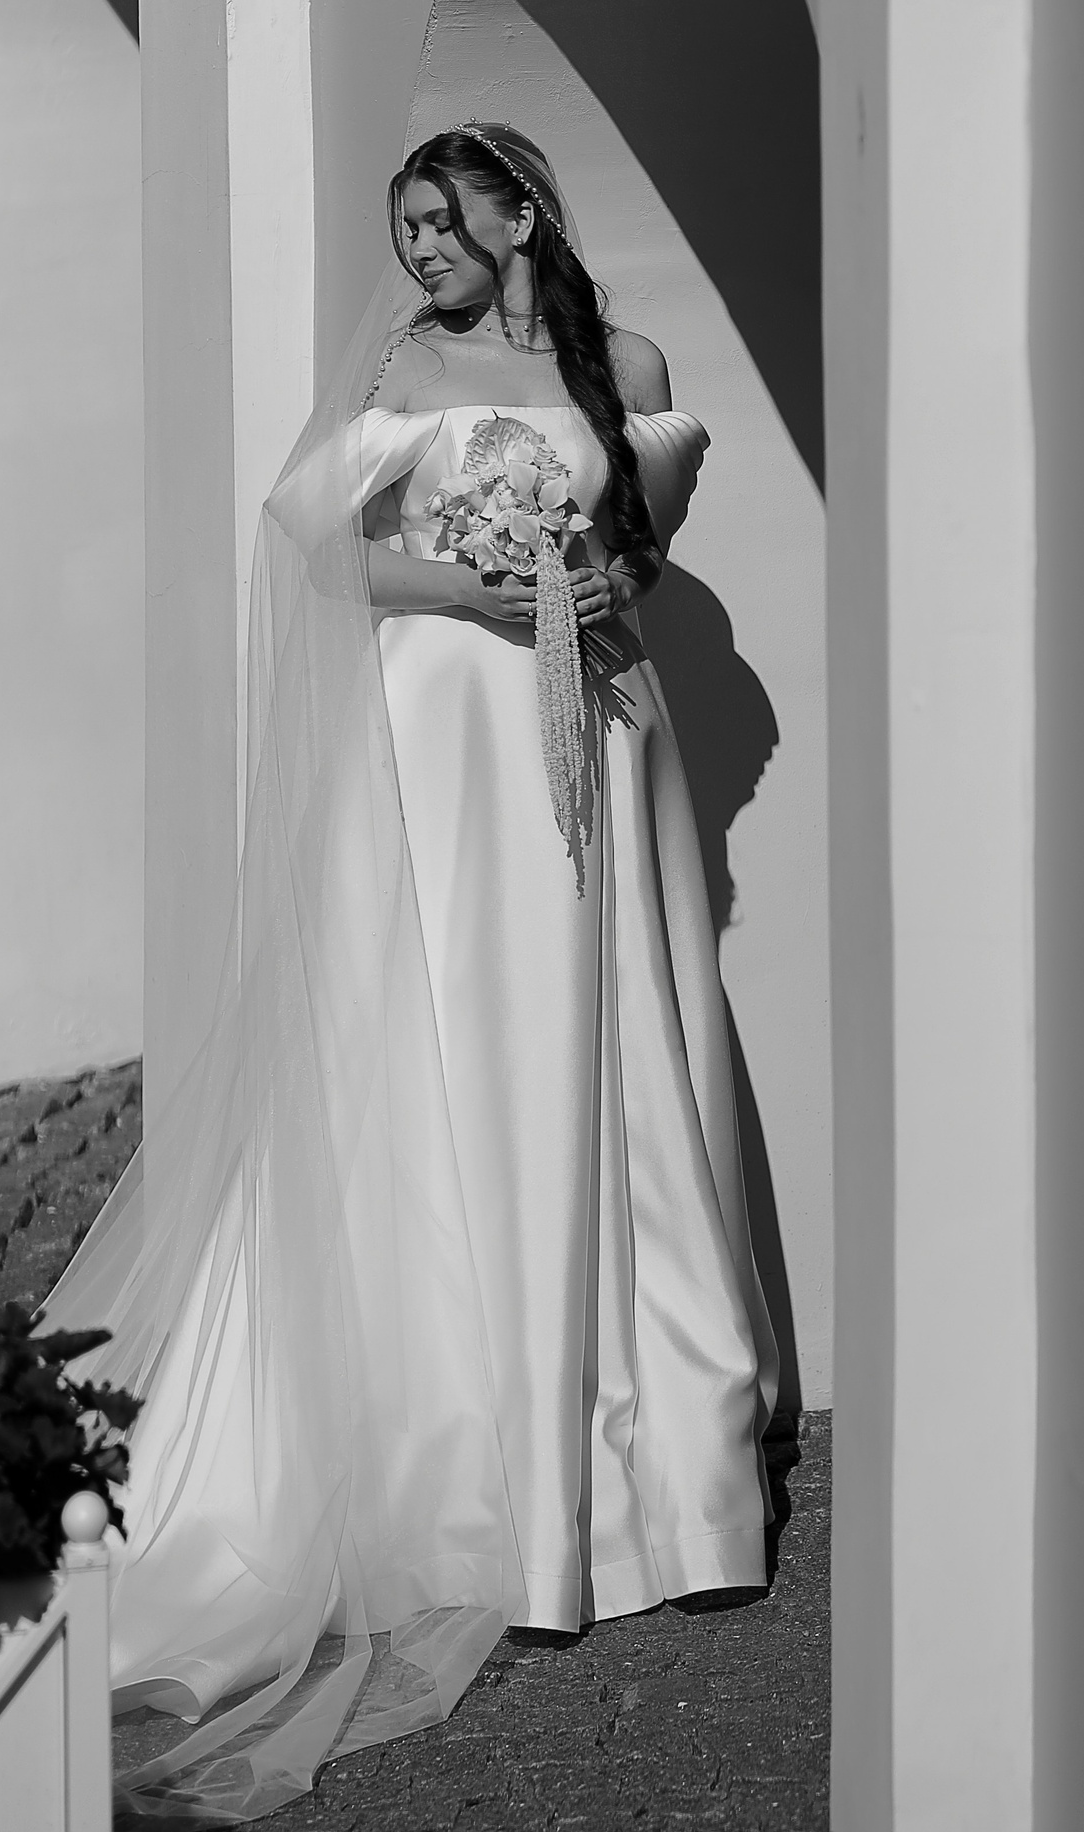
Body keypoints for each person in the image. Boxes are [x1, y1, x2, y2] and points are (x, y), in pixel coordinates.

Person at [42, 123, 778, 1820]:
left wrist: (588, 581)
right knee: (463, 1047)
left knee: (613, 1060)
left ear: (522, 216)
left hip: (595, 730)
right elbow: (323, 545)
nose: (424, 251)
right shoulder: (405, 371)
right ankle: (484, 1489)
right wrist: (474, 585)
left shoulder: (629, 370)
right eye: (407, 229)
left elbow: (645, 549)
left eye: (444, 221)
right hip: (444, 741)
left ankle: (660, 1480)